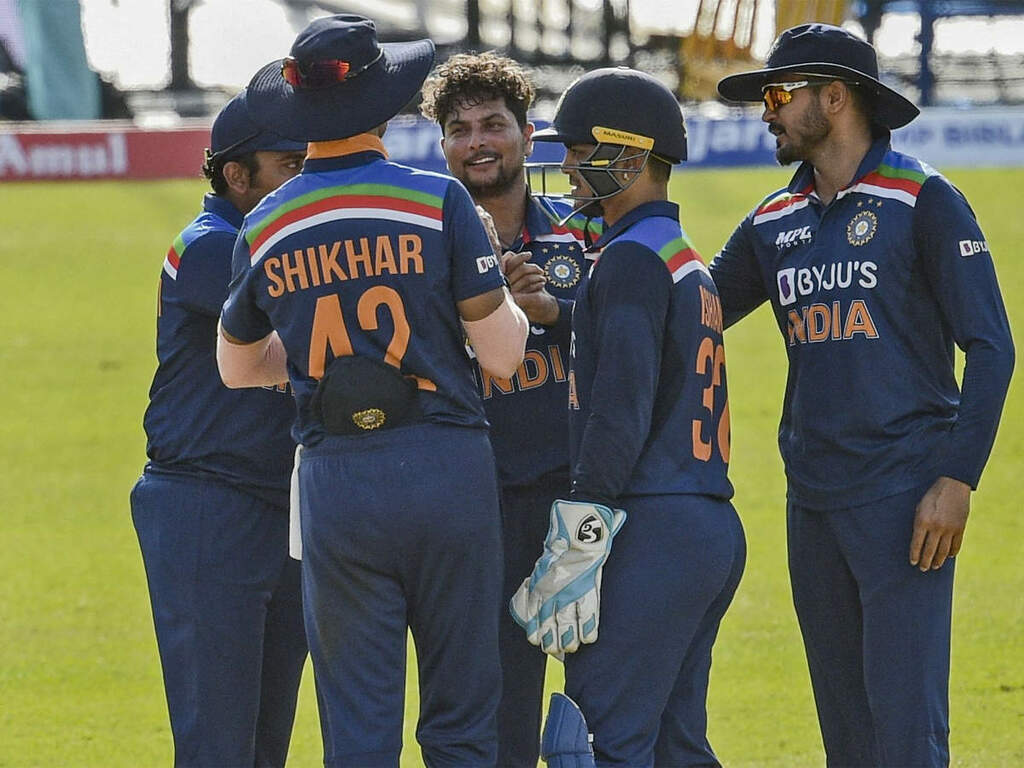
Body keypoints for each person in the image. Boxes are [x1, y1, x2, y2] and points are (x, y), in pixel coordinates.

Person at [216, 15, 529, 767]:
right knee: (460, 723)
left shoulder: (264, 223)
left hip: (338, 481)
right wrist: (504, 293)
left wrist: (324, 361)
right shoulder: (438, 202)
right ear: (384, 105)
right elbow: (503, 356)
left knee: (357, 733)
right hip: (446, 467)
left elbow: (235, 366)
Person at [712, 23, 1015, 766]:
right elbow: (692, 309)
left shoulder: (924, 198)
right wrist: (565, 297)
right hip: (810, 502)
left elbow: (993, 347)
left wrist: (957, 479)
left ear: (836, 97)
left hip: (905, 499)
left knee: (907, 733)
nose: (766, 113)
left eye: (778, 95)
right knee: (846, 735)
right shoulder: (771, 221)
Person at [510, 67, 746, 767]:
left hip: (649, 524)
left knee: (596, 743)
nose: (570, 167)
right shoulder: (678, 257)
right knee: (676, 746)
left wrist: (579, 535)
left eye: (584, 151)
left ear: (634, 157)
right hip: (703, 519)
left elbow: (620, 409)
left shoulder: (628, 261)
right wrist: (564, 317)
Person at [419, 51, 599, 767]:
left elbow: (643, 334)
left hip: (580, 502)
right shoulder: (423, 248)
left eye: (494, 124)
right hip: (476, 504)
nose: (478, 142)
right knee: (501, 723)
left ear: (527, 135)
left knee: (607, 708)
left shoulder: (583, 234)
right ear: (442, 148)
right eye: (459, 130)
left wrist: (552, 310)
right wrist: (480, 311)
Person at [129, 88, 309, 767]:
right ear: (237, 175)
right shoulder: (211, 247)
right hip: (208, 503)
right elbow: (317, 316)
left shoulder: (252, 238)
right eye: (291, 164)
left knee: (263, 747)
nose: (307, 177)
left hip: (272, 503)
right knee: (218, 747)